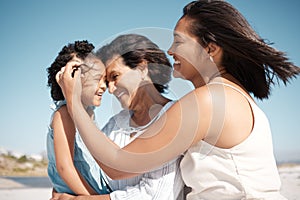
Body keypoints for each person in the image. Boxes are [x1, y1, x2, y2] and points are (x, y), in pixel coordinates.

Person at [56, 1, 300, 199]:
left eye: (179, 41)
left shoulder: (212, 99)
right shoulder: (230, 95)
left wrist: (74, 101)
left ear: (211, 49)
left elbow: (118, 165)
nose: (170, 50)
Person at [52, 34, 184, 200]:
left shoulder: (175, 116)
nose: (111, 89)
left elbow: (154, 196)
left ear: (142, 69)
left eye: (115, 77)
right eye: (107, 82)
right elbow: (92, 170)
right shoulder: (116, 123)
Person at [46, 40, 109, 195]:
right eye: (96, 79)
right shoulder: (65, 114)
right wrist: (93, 198)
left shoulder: (90, 114)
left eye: (105, 79)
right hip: (83, 195)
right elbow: (64, 167)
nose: (104, 86)